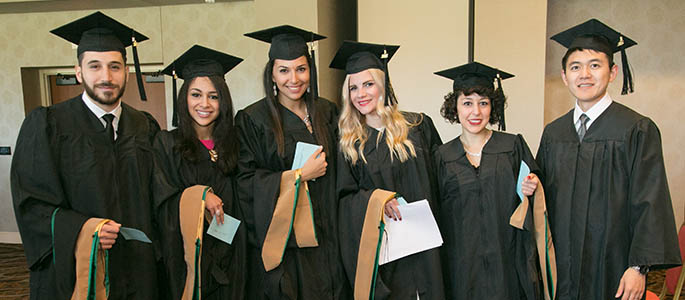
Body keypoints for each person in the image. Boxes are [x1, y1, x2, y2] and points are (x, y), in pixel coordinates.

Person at [10, 11, 162, 299]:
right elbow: (31, 204)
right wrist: (82, 229)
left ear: (126, 72)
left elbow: (159, 194)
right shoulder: (48, 125)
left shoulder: (144, 126)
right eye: (95, 66)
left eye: (115, 67)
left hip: (136, 266)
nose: (106, 77)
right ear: (79, 72)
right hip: (78, 267)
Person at [537, 18, 681, 300]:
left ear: (613, 72)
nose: (584, 75)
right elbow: (543, 201)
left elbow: (649, 200)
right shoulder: (554, 133)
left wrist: (638, 267)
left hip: (614, 266)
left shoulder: (637, 128)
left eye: (595, 65)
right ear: (565, 76)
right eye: (575, 67)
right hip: (561, 266)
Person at [236, 25, 348, 299]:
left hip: (331, 239)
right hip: (290, 246)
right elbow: (246, 182)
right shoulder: (253, 118)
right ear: (272, 74)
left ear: (310, 71)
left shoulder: (327, 111)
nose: (293, 79)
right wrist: (298, 175)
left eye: (301, 69)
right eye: (283, 70)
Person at [331, 40, 445, 299]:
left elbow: (443, 177)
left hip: (427, 250)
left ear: (383, 84)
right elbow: (344, 200)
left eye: (368, 84)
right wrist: (376, 201)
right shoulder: (350, 144)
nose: (361, 94)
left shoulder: (417, 126)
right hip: (387, 256)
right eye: (353, 88)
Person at [433, 62, 544, 299]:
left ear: (493, 106)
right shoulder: (442, 156)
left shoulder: (512, 146)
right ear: (455, 107)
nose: (476, 112)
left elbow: (536, 200)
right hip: (461, 270)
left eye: (483, 103)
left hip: (507, 265)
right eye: (467, 103)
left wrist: (532, 188)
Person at [154, 45, 247, 299]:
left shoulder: (236, 144)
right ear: (184, 98)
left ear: (223, 101)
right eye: (196, 95)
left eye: (213, 96)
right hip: (189, 261)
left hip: (234, 257)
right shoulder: (167, 144)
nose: (204, 104)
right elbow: (161, 202)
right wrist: (198, 197)